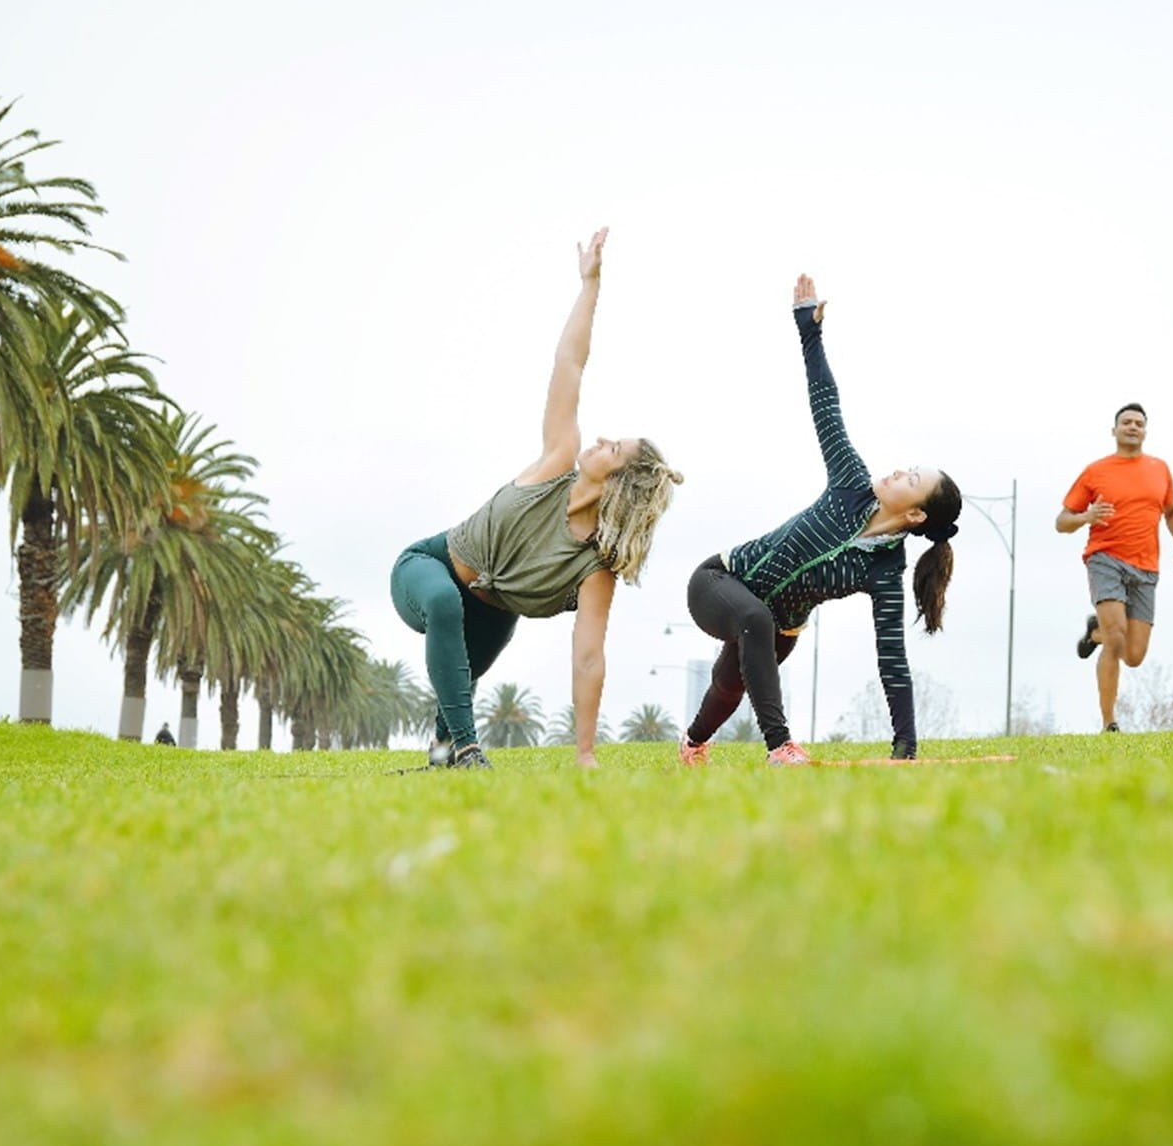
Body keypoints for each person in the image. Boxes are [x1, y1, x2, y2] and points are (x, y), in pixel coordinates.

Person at [389, 229, 683, 770]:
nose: (600, 440)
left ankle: (441, 760)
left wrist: (586, 753)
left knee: (458, 690)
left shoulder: (595, 567)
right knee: (446, 603)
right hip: (429, 568)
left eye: (612, 448)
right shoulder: (557, 460)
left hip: (491, 617)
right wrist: (590, 285)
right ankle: (470, 751)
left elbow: (588, 658)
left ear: (619, 484)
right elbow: (569, 364)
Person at [677, 274, 961, 766]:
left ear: (915, 514)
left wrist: (906, 749)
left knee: (728, 685)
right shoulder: (851, 480)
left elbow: (892, 659)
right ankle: (780, 748)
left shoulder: (885, 570)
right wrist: (809, 330)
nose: (897, 471)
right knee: (754, 618)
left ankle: (693, 745)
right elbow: (825, 404)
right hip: (719, 581)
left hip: (777, 629)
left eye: (910, 478)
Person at [1057, 403, 1173, 732]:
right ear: (1114, 430)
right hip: (1105, 559)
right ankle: (1109, 722)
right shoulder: (1096, 471)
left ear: (1145, 431)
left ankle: (1097, 632)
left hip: (1146, 567)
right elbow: (1061, 521)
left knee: (1134, 655)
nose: (1132, 427)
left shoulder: (1159, 469)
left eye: (1138, 423)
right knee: (1116, 640)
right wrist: (1086, 516)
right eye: (1126, 422)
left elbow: (1172, 513)